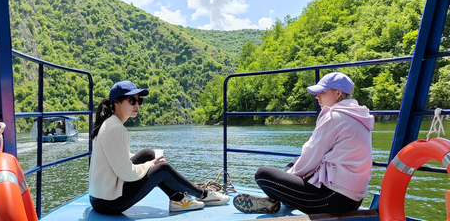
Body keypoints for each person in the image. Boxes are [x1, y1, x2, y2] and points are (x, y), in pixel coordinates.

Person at [233, 72, 374, 215]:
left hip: (332, 200)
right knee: (295, 163)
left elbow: (312, 153)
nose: (317, 96)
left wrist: (287, 180)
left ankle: (276, 199)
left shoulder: (334, 117)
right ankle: (281, 197)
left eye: (322, 92)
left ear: (338, 93)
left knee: (263, 174)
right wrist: (290, 177)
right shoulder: (358, 115)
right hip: (354, 199)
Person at [89, 80, 230, 215]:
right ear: (117, 103)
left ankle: (178, 199)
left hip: (100, 198)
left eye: (139, 100)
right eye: (132, 100)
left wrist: (149, 162)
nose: (137, 104)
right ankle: (204, 194)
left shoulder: (109, 123)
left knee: (149, 153)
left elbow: (120, 158)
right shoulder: (115, 129)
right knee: (162, 169)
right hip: (109, 203)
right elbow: (127, 173)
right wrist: (149, 165)